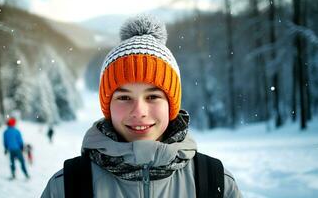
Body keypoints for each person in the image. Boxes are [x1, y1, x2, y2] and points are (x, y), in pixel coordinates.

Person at [41, 15, 242, 198]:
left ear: (171, 105)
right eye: (124, 98)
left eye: (153, 96)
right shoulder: (67, 186)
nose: (139, 111)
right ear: (107, 105)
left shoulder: (215, 182)